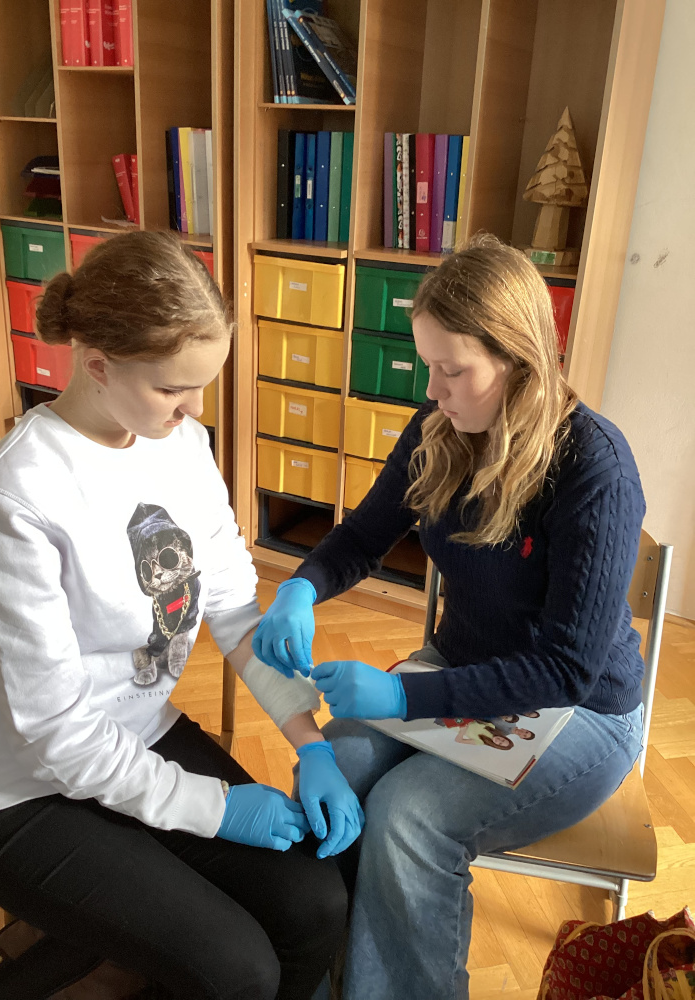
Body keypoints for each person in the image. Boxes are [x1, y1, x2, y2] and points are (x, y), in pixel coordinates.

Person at [0, 232, 364, 1000]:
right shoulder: (16, 496)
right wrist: (216, 809)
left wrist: (312, 743)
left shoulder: (180, 444)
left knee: (315, 905)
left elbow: (233, 606)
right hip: (14, 784)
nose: (195, 409)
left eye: (203, 385)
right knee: (235, 967)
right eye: (174, 388)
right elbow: (57, 734)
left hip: (133, 735)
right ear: (97, 363)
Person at [252, 235, 646, 1000]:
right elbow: (362, 538)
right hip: (463, 673)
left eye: (452, 369)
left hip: (583, 712)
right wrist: (301, 588)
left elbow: (567, 668)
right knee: (334, 769)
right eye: (428, 366)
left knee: (409, 815)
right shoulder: (440, 428)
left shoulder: (593, 466)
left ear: (518, 359)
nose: (434, 390)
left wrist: (404, 695)